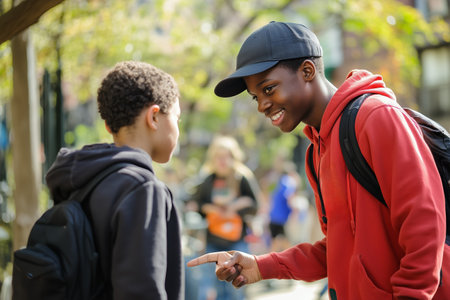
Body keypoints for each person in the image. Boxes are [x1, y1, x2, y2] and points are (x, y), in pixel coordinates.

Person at [187, 21, 450, 299]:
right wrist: (262, 266)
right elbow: (337, 249)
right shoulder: (316, 152)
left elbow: (425, 222)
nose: (262, 105)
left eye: (268, 89)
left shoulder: (374, 117)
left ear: (307, 71)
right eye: (255, 97)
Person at [45, 61, 184, 300]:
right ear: (154, 117)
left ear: (109, 125)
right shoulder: (143, 189)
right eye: (177, 118)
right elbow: (140, 291)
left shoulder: (82, 181)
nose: (178, 129)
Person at [190, 135, 259, 300]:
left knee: (236, 288)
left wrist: (235, 209)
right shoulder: (208, 179)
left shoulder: (242, 178)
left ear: (234, 157)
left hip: (237, 242)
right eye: (218, 157)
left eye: (226, 156)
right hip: (213, 241)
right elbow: (196, 204)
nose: (222, 161)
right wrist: (212, 209)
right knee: (215, 288)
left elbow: (254, 206)